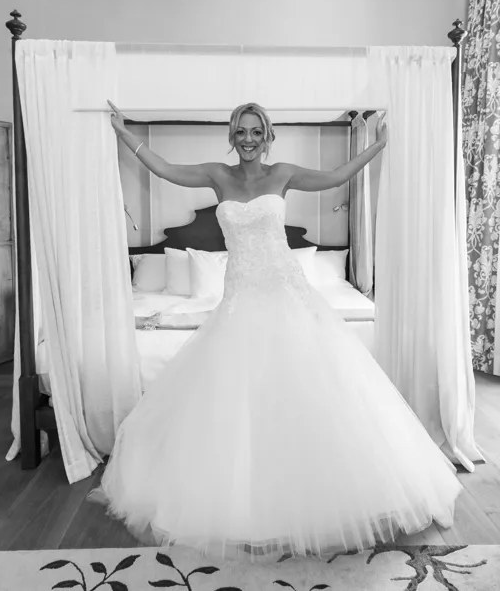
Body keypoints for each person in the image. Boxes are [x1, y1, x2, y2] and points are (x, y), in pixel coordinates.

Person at [90, 100, 463, 560]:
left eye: (256, 131)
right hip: (239, 299)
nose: (248, 139)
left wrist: (379, 147)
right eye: (241, 131)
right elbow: (165, 169)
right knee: (235, 395)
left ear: (267, 136)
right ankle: (244, 497)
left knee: (314, 387)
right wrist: (125, 134)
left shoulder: (283, 173)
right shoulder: (216, 175)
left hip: (286, 291)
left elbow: (335, 177)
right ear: (233, 135)